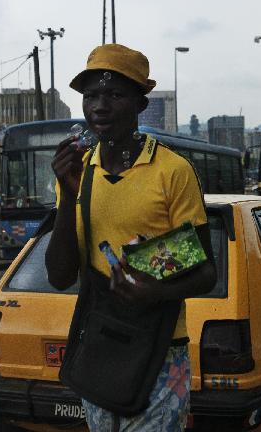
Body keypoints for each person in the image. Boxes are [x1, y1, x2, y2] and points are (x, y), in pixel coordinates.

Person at [46, 43, 216, 431]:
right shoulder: (79, 173)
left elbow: (206, 272)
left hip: (160, 349)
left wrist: (152, 292)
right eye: (91, 96)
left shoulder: (172, 172)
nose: (99, 106)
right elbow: (59, 276)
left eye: (114, 94)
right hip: (101, 343)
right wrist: (69, 194)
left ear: (141, 104)